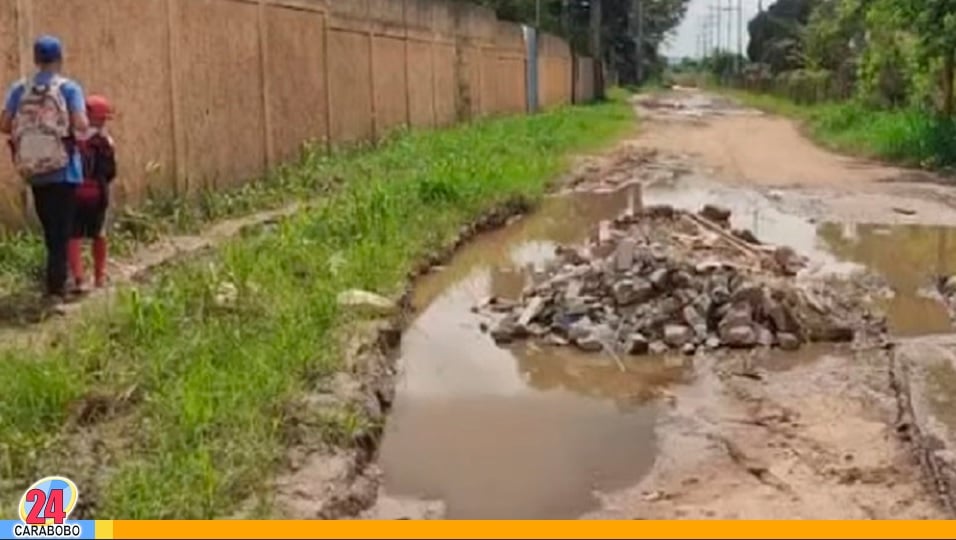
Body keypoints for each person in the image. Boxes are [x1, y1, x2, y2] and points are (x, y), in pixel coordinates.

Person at [0, 35, 89, 304]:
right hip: (64, 169)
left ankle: (56, 281)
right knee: (61, 231)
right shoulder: (69, 88)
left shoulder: (19, 88)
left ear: (36, 59)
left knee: (50, 227)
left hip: (35, 170)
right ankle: (56, 289)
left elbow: (4, 125)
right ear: (59, 58)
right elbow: (81, 124)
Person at [68, 95, 116, 292]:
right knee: (99, 234)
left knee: (73, 235)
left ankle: (79, 278)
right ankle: (100, 277)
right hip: (98, 195)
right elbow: (111, 172)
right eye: (103, 117)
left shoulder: (70, 138)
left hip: (74, 194)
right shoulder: (105, 141)